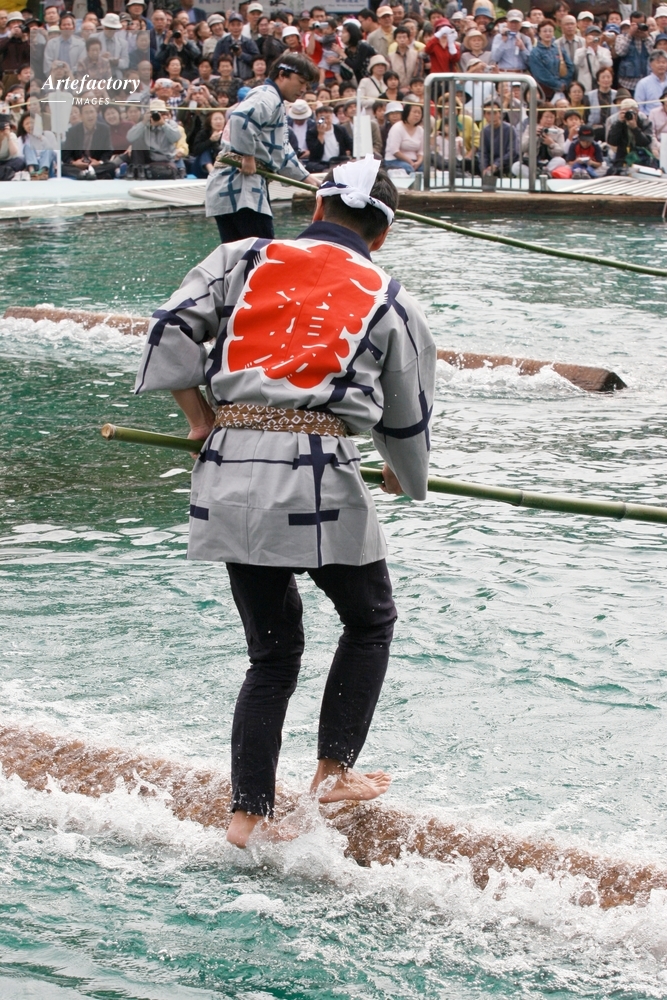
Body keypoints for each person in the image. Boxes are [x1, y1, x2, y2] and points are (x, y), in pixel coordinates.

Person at [132, 155, 436, 848]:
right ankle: (333, 772)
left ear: (318, 209)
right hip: (316, 477)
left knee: (271, 653)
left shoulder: (241, 256)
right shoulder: (390, 297)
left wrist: (200, 419)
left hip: (228, 472)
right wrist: (404, 475)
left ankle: (246, 814)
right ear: (383, 233)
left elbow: (168, 328)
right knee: (370, 618)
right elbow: (407, 415)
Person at [205, 52, 319, 244]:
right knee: (261, 253)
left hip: (239, 186)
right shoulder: (266, 95)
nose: (303, 89)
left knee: (240, 256)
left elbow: (281, 151)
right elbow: (241, 118)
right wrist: (248, 156)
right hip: (241, 184)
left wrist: (308, 179)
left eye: (306, 85)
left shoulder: (275, 101)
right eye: (301, 82)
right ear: (282, 75)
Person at [126, 98, 182, 178]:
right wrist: (144, 122)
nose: (157, 116)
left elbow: (176, 138)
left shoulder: (170, 124)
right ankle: (137, 169)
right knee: (136, 140)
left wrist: (163, 125)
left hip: (165, 159)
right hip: (149, 158)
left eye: (160, 113)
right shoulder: (145, 125)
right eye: (154, 113)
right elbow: (130, 137)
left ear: (164, 114)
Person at [62, 102, 116, 179]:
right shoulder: (72, 131)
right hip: (79, 164)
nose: (90, 116)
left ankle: (87, 174)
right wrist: (74, 162)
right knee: (62, 168)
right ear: (81, 116)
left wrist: (99, 162)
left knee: (112, 166)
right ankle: (88, 174)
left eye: (92, 112)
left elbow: (108, 151)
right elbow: (65, 153)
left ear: (96, 114)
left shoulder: (104, 129)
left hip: (95, 164)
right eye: (86, 113)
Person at [606, 95, 658, 171]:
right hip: (623, 159)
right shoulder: (618, 124)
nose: (628, 115)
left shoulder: (645, 123)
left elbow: (646, 142)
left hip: (642, 158)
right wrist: (619, 123)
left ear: (637, 111)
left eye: (631, 112)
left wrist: (635, 128)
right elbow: (612, 141)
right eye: (625, 112)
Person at [529, 19, 573, 101]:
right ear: (539, 33)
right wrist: (558, 84)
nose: (548, 33)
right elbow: (540, 74)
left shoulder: (559, 49)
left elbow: (570, 66)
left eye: (550, 31)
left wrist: (565, 83)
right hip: (545, 90)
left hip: (563, 90)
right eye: (545, 31)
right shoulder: (535, 52)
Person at [212, 11, 260, 81]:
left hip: (247, 79)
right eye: (233, 25)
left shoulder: (249, 42)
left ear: (242, 26)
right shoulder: (222, 43)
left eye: (238, 25)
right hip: (227, 79)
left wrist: (241, 54)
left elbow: (256, 60)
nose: (236, 28)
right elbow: (216, 61)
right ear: (228, 26)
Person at [305, 103, 353, 172]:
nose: (326, 121)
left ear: (332, 117)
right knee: (311, 166)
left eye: (328, 117)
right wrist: (321, 134)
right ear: (317, 119)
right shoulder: (311, 132)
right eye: (322, 118)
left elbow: (350, 144)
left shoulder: (340, 130)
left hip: (338, 161)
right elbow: (314, 153)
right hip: (320, 163)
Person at [384, 100, 423, 173]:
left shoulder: (421, 130)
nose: (417, 115)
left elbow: (421, 152)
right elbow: (394, 151)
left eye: (419, 113)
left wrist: (418, 162)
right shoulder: (397, 127)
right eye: (414, 112)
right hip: (394, 160)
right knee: (408, 169)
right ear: (407, 112)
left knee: (425, 169)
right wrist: (410, 162)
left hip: (414, 161)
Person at [574, 26, 612, 93]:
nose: (594, 37)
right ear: (585, 37)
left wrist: (597, 51)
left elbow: (609, 64)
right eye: (592, 35)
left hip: (601, 87)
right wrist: (586, 47)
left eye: (597, 35)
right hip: (585, 88)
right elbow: (577, 62)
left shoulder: (605, 51)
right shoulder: (580, 51)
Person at [586, 66, 616, 141]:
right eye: (603, 77)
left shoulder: (617, 95)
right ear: (598, 81)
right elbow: (586, 115)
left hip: (613, 129)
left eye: (608, 77)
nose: (606, 79)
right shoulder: (589, 96)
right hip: (595, 129)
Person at [634, 50, 667, 115]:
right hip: (649, 117)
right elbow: (639, 107)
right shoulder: (643, 83)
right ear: (651, 65)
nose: (661, 65)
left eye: (664, 62)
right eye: (658, 62)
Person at [0, 109, 26, 180]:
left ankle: (4, 172)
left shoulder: (11, 136)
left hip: (8, 162)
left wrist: (8, 137)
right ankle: (6, 172)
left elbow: (14, 153)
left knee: (20, 160)